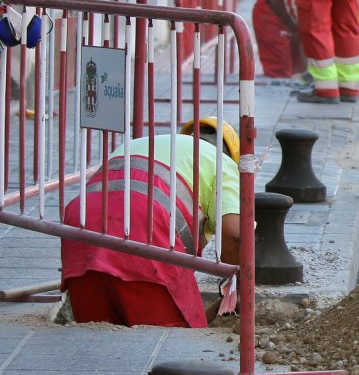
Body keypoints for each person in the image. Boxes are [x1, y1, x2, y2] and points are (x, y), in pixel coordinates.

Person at [60, 119, 241, 328]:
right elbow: (234, 234)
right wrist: (236, 285)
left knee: (94, 337)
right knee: (170, 343)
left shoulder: (139, 143)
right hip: (145, 231)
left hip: (81, 228)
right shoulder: (222, 162)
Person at [253, 0, 359, 80]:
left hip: (296, 14)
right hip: (271, 12)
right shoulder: (321, 2)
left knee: (300, 67)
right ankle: (278, 100)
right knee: (280, 70)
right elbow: (315, 43)